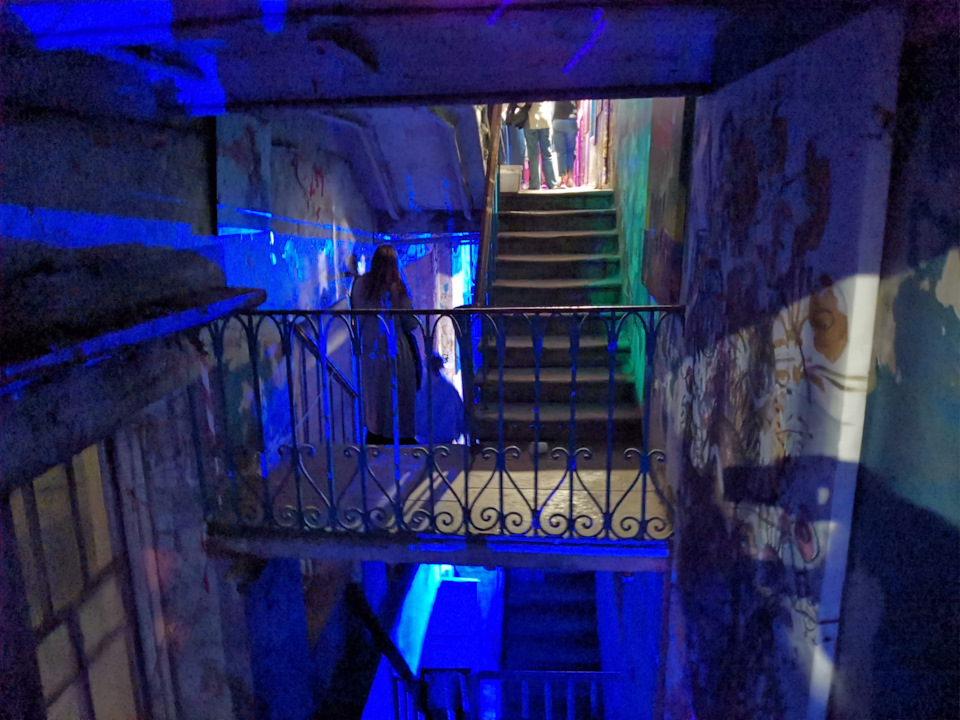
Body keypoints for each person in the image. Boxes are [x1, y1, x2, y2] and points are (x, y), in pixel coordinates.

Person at [350, 245, 422, 445]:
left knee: (376, 402)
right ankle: (401, 445)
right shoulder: (396, 287)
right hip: (396, 350)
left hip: (371, 352)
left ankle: (376, 441)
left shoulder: (359, 284)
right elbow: (411, 323)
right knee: (399, 401)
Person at [415, 353, 464, 445]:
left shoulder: (421, 390)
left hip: (424, 442)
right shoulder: (450, 389)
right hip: (446, 441)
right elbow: (460, 416)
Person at [522, 101, 559, 190]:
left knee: (533, 155)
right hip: (545, 120)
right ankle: (552, 183)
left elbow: (521, 104)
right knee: (547, 154)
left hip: (531, 120)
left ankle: (535, 184)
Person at [552, 100, 579, 188]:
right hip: (571, 120)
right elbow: (578, 104)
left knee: (561, 152)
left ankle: (563, 179)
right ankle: (570, 179)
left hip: (557, 120)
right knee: (570, 151)